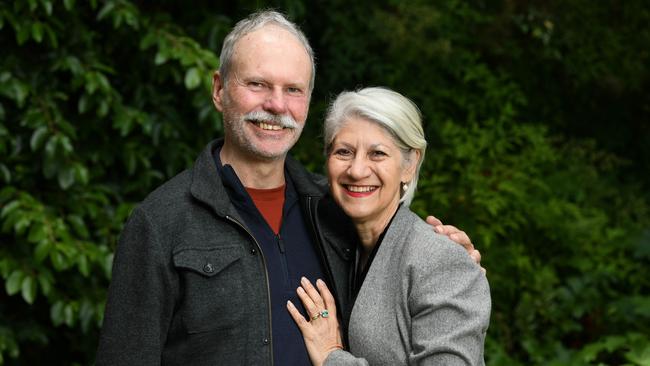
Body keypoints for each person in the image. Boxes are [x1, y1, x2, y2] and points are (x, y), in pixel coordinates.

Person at [95, 11, 481, 366]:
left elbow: (401, 267)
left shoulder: (334, 212)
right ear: (219, 90)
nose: (277, 105)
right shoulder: (162, 222)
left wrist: (446, 259)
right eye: (258, 84)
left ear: (308, 101)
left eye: (293, 89)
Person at [288, 87, 491, 365]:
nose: (357, 170)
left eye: (378, 154)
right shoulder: (344, 243)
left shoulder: (439, 260)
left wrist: (331, 357)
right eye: (344, 152)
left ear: (410, 164)